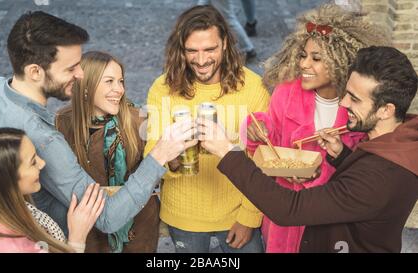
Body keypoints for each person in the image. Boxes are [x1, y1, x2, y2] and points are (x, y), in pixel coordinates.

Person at [0, 11, 197, 243]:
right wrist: (159, 155)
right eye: (71, 69)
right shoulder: (45, 139)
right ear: (35, 72)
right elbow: (107, 217)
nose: (81, 75)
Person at [198, 46, 418, 253]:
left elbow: (289, 209)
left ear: (386, 110)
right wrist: (342, 156)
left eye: (355, 99)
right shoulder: (398, 141)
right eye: (346, 93)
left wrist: (228, 152)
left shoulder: (379, 177)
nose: (343, 103)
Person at [241, 4, 389, 253]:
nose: (304, 64)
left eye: (316, 58)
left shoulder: (360, 109)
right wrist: (258, 130)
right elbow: (269, 146)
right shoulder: (285, 93)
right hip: (284, 216)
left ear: (342, 62)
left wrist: (317, 174)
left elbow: (362, 174)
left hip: (330, 221)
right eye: (303, 55)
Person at [143, 5, 269, 253]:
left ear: (225, 44)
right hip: (184, 213)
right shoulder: (162, 87)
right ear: (181, 50)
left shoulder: (253, 87)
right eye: (192, 51)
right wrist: (176, 158)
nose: (201, 61)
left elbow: (263, 161)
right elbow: (151, 153)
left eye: (210, 49)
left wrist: (249, 217)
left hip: (238, 212)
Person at [55, 51, 160, 253]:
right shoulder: (63, 121)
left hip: (138, 225)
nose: (118, 89)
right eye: (109, 81)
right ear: (86, 86)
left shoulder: (138, 119)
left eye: (121, 81)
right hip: (89, 226)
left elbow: (161, 167)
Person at [0, 128, 104, 253]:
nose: (42, 163)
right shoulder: (11, 247)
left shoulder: (1, 212)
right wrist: (77, 238)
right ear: (6, 179)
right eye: (33, 162)